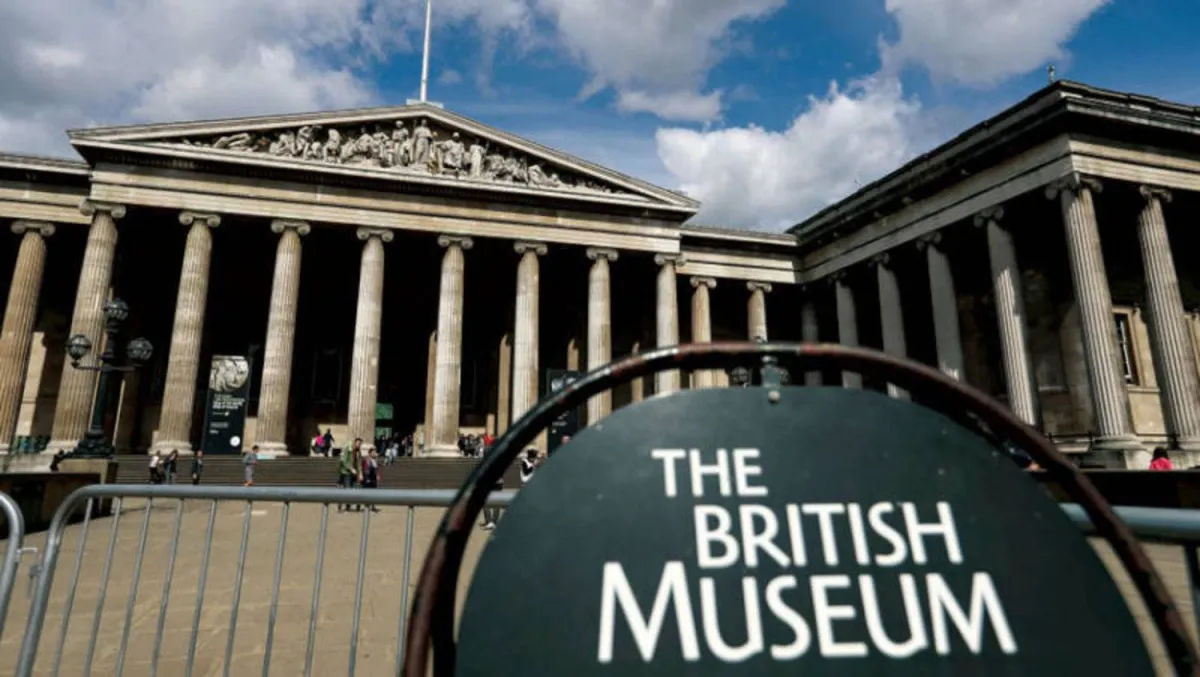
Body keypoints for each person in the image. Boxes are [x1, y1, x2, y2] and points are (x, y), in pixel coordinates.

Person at [338, 438, 363, 513]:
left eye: (360, 444)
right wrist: (351, 468)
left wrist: (360, 473)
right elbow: (343, 461)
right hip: (346, 472)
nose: (359, 445)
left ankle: (347, 507)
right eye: (358, 443)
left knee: (351, 490)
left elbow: (359, 463)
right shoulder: (348, 449)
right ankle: (340, 506)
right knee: (347, 490)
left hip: (353, 473)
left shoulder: (358, 451)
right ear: (354, 442)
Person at [362, 448, 382, 512]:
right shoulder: (366, 459)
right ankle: (366, 506)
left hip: (373, 478)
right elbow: (365, 469)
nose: (374, 453)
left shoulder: (375, 460)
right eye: (373, 452)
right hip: (368, 478)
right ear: (370, 453)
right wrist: (366, 478)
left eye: (375, 452)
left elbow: (376, 469)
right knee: (367, 493)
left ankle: (373, 506)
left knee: (374, 493)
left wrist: (377, 475)